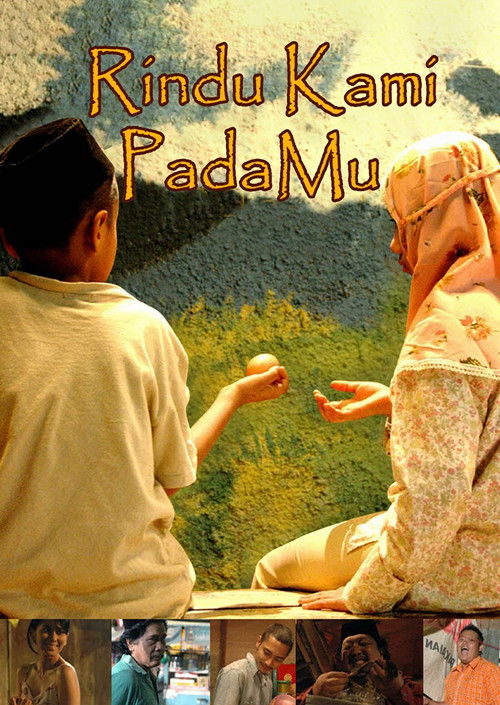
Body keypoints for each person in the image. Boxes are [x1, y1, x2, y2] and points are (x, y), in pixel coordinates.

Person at [0, 118, 288, 617]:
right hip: (140, 606)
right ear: (99, 229)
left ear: (6, 239)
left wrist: (234, 394)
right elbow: (167, 478)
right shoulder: (144, 330)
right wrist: (231, 397)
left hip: (12, 609)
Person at [253, 131, 500, 613]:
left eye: (402, 221)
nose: (394, 244)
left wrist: (365, 595)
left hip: (461, 569)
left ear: (434, 221)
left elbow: (435, 500)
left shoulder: (441, 333)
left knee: (272, 571)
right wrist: (399, 402)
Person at [299, 620, 422, 705]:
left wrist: (397, 693)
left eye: (363, 644)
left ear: (381, 652)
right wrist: (314, 695)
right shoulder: (326, 687)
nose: (355, 651)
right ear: (341, 659)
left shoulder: (407, 685)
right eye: (348, 647)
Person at [212, 623, 294, 705]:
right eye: (266, 653)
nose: (269, 663)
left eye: (278, 659)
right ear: (258, 642)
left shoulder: (268, 680)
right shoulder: (235, 674)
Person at [423, 625, 500, 705]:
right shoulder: (453, 674)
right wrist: (430, 702)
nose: (464, 643)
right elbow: (450, 703)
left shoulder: (490, 671)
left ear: (480, 647)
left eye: (471, 640)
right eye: (461, 639)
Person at [10, 620, 80, 705]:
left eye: (60, 632)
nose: (53, 638)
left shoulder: (65, 672)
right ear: (33, 634)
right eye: (46, 630)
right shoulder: (24, 673)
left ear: (66, 638)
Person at [112, 620, 167, 705]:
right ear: (130, 643)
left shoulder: (145, 674)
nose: (160, 647)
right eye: (152, 639)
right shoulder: (125, 678)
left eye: (162, 639)